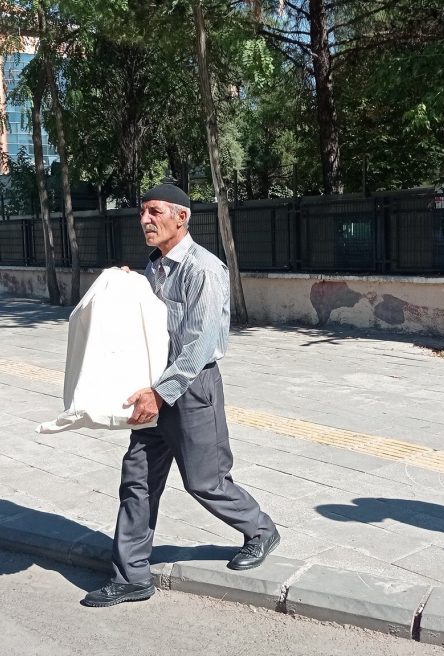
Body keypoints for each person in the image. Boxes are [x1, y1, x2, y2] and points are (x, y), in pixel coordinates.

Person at [82, 183, 279, 608]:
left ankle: (261, 529)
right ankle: (131, 575)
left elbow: (199, 345)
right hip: (153, 387)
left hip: (190, 390)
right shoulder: (154, 267)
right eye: (142, 212)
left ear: (181, 217)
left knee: (206, 481)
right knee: (137, 479)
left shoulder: (203, 270)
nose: (145, 220)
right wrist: (129, 286)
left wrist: (161, 393)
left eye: (154, 212)